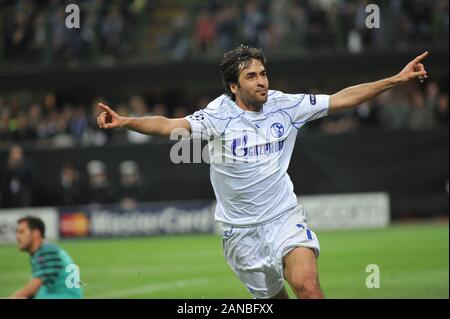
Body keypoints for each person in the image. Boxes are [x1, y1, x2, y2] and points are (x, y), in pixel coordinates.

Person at [96, 46, 429, 299]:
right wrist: (126, 121)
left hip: (284, 217)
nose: (262, 82)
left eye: (263, 74)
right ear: (233, 87)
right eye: (251, 77)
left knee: (309, 288)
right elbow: (170, 125)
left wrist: (396, 80)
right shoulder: (217, 116)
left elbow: (341, 99)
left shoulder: (284, 105)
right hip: (240, 233)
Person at [10, 216, 83, 299]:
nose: (17, 236)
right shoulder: (43, 251)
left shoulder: (46, 252)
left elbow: (33, 288)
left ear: (36, 233)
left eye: (21, 232)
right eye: (17, 232)